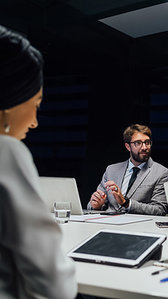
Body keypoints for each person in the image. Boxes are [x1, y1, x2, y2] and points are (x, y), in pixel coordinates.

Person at [0, 25, 77, 298]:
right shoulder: (6, 153)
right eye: (36, 103)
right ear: (12, 99)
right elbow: (53, 284)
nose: (34, 121)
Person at [88, 124, 168, 215]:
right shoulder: (111, 170)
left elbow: (160, 210)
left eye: (147, 142)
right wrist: (97, 205)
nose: (144, 147)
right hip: (107, 223)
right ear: (128, 147)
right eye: (138, 143)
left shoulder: (162, 173)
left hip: (136, 226)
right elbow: (94, 204)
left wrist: (126, 203)